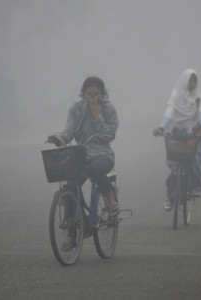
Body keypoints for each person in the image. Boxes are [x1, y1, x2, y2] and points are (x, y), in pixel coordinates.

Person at [47, 76, 119, 250]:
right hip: (81, 155)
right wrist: (59, 138)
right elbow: (69, 131)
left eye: (97, 94)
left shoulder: (108, 109)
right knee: (70, 187)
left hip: (103, 154)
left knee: (96, 169)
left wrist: (97, 115)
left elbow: (110, 135)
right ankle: (73, 235)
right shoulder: (76, 109)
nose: (93, 97)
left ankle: (110, 199)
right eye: (89, 94)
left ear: (102, 94)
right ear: (83, 94)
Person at [153, 69, 201, 211]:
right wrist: (161, 128)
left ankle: (191, 186)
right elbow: (169, 111)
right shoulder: (176, 95)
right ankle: (170, 195)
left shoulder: (200, 96)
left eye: (194, 81)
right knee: (175, 166)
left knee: (194, 160)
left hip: (194, 132)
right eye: (190, 80)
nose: (192, 83)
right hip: (176, 131)